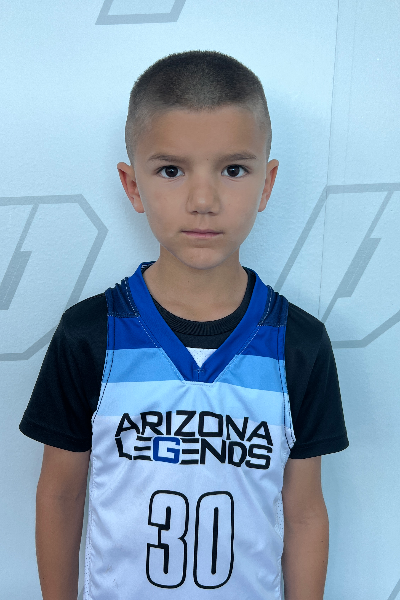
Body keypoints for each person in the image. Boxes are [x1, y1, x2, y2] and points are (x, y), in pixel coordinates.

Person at [20, 50, 348, 600]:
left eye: (233, 170)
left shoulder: (299, 343)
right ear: (132, 185)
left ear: (267, 184)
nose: (203, 200)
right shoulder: (90, 335)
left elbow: (305, 512)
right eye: (171, 170)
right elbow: (59, 494)